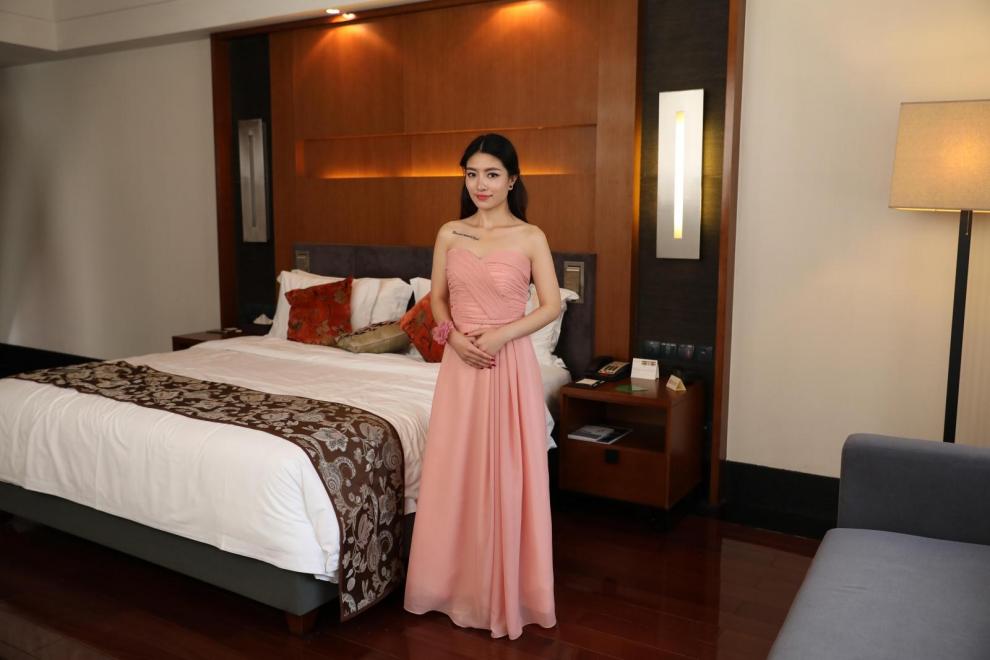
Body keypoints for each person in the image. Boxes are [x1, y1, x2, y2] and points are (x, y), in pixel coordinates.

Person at [403, 134, 560, 639]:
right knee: (457, 469)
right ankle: (451, 587)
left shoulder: (530, 236)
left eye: (491, 174)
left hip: (507, 365)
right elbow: (437, 300)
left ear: (512, 180)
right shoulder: (450, 233)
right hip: (460, 364)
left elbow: (551, 306)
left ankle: (504, 590)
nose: (480, 184)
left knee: (506, 470)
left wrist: (499, 336)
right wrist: (452, 340)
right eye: (472, 174)